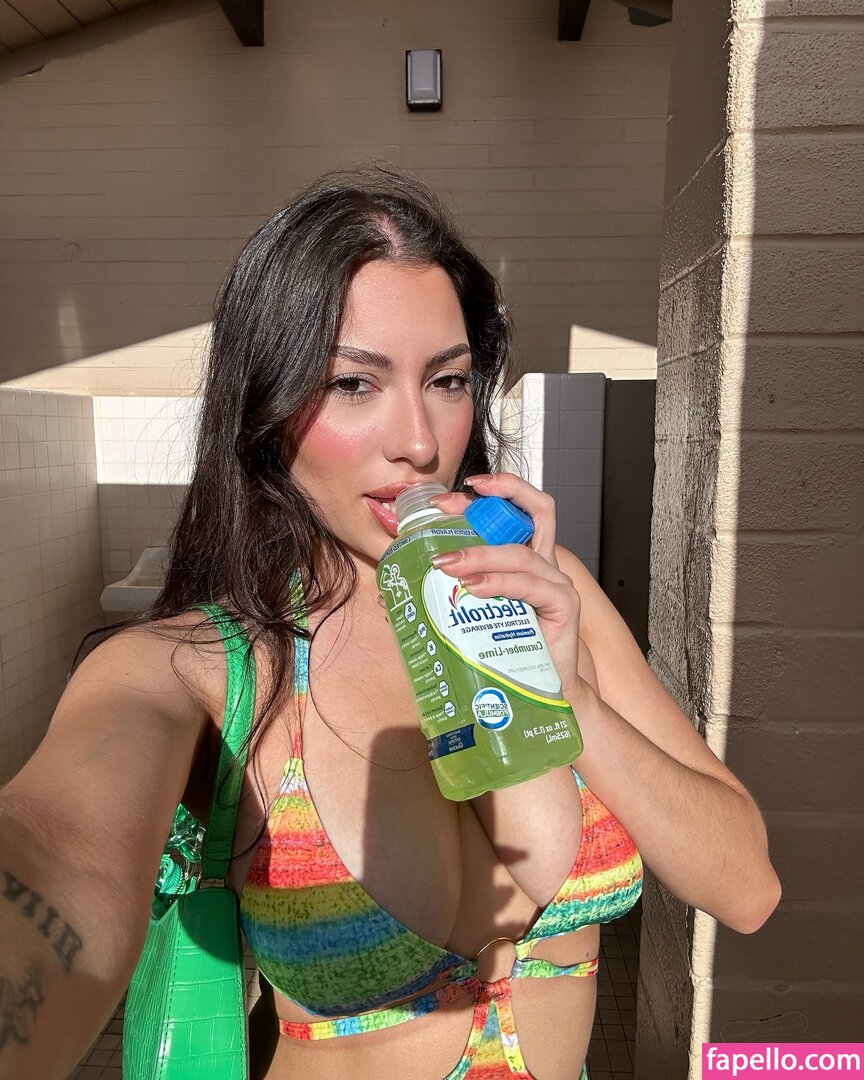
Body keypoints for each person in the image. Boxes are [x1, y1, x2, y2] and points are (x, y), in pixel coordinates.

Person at [0, 165, 781, 1080]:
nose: (419, 441)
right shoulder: (205, 666)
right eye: (352, 384)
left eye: (447, 380)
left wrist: (571, 695)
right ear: (265, 409)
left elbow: (747, 888)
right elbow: (59, 851)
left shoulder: (548, 591)